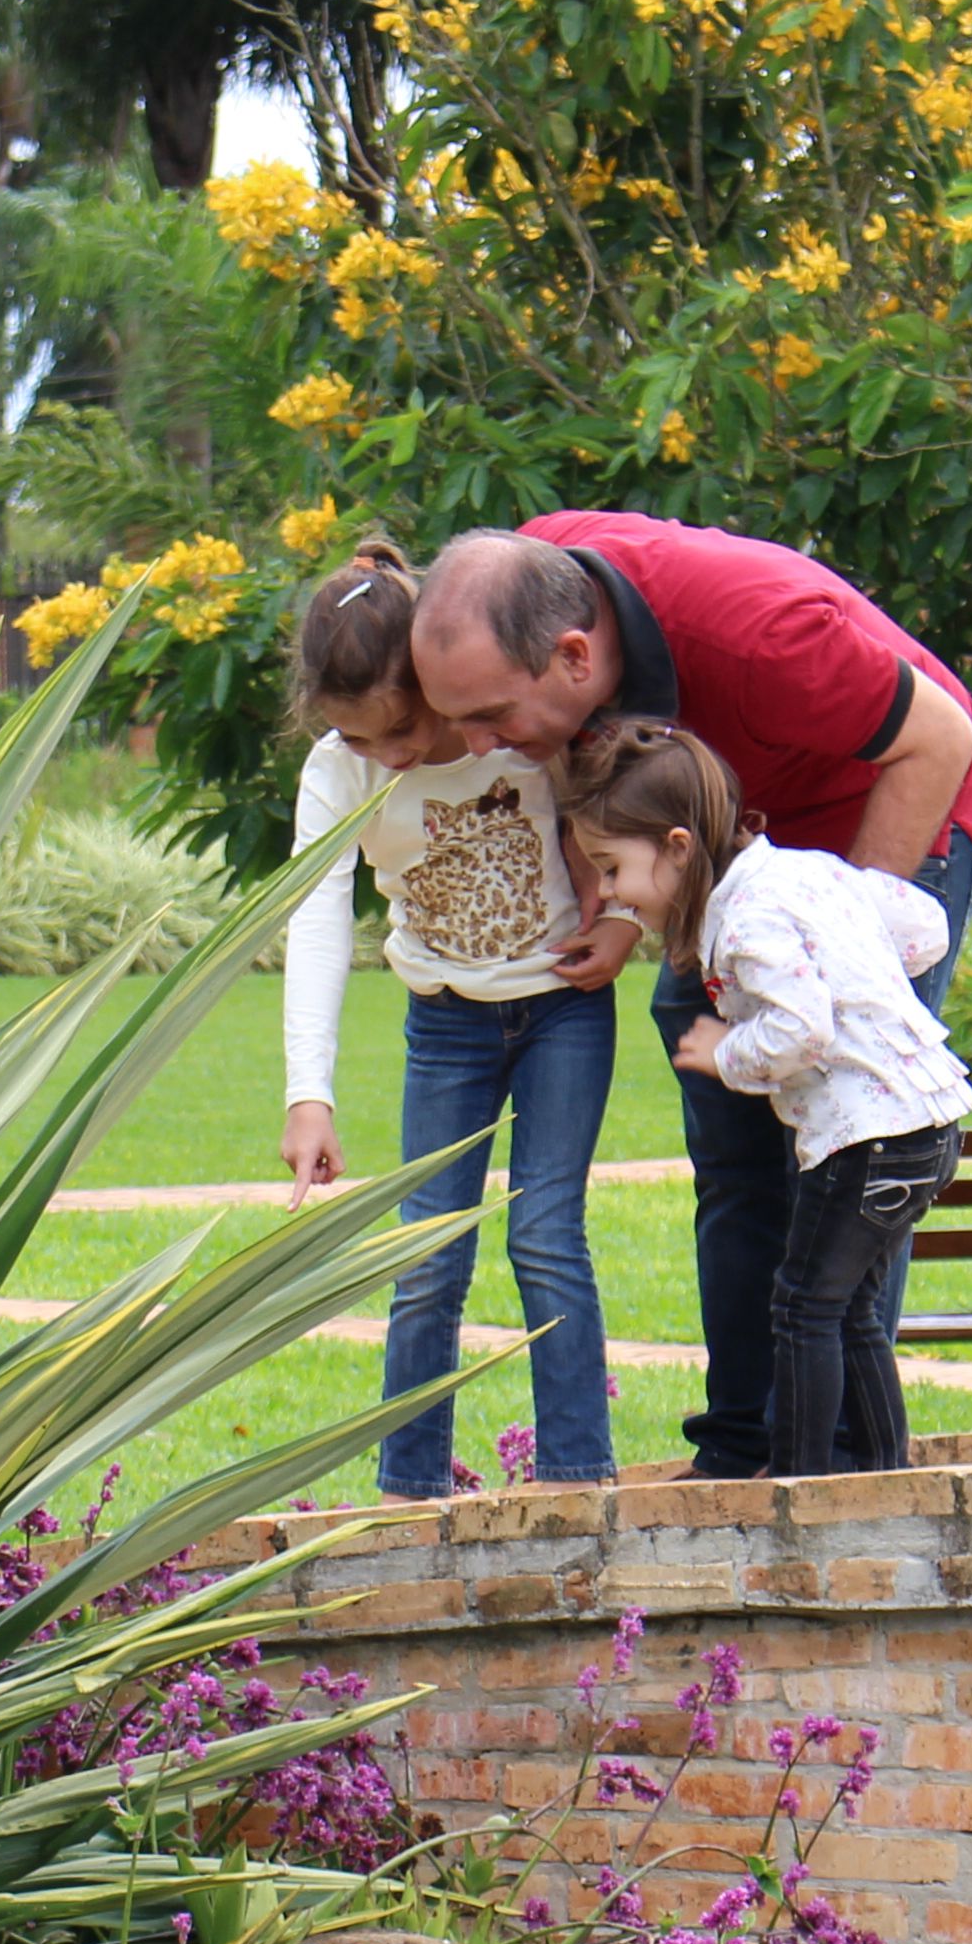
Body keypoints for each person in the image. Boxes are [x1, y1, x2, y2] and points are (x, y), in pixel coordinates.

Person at [407, 516, 972, 1478]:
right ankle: (742, 1446)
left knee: (848, 1144)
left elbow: (938, 737)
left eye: (492, 717)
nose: (478, 745)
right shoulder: (527, 573)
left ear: (575, 657)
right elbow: (586, 772)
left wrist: (835, 952)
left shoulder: (761, 637)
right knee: (736, 1155)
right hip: (717, 852)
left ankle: (843, 1469)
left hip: (875, 826)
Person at [272, 539, 612, 1499]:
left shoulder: (510, 728)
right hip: (446, 1027)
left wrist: (621, 920)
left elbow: (613, 816)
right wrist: (310, 1094)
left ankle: (578, 1484)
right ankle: (409, 1492)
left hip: (560, 1013)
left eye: (401, 731)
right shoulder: (340, 772)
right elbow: (317, 920)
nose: (391, 758)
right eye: (362, 741)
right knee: (426, 1256)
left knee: (546, 1237)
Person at [555, 717, 972, 1481]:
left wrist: (726, 1054)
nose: (611, 892)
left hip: (867, 1136)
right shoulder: (805, 873)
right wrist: (863, 959)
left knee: (802, 1307)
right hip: (928, 1122)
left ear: (679, 847)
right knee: (847, 1311)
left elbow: (801, 1031)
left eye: (613, 869)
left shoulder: (749, 920)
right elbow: (925, 929)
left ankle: (801, 1488)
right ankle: (878, 1473)